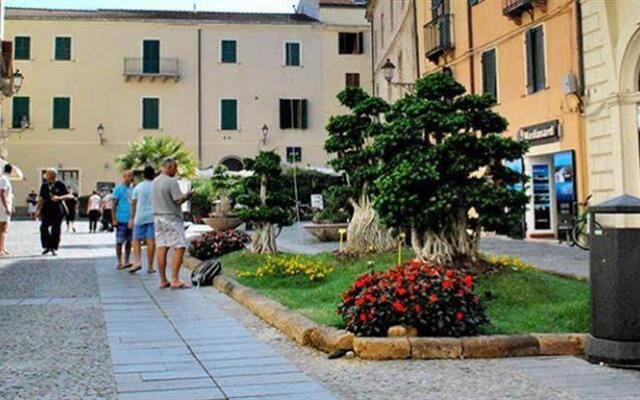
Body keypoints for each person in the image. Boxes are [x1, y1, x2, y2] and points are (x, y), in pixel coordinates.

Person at [153, 158, 194, 289]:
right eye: (175, 168)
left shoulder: (155, 181)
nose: (176, 170)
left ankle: (163, 280)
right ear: (169, 167)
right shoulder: (171, 182)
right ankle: (175, 279)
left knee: (162, 247)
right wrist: (188, 195)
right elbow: (178, 200)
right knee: (180, 246)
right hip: (171, 218)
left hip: (158, 217)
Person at [36, 168, 73, 256]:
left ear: (53, 175)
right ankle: (47, 246)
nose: (46, 176)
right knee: (43, 228)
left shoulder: (60, 184)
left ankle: (54, 247)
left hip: (57, 209)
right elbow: (41, 199)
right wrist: (37, 210)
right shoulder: (44, 185)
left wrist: (59, 198)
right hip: (46, 209)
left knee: (55, 229)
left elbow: (69, 195)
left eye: (48, 174)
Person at [129, 166, 156, 274]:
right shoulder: (156, 186)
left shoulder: (138, 187)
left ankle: (137, 262)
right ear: (154, 175)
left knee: (136, 240)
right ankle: (150, 266)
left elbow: (133, 203)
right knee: (151, 241)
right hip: (153, 216)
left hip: (140, 216)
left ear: (143, 175)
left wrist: (131, 217)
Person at [112, 170, 134, 270]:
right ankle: (119, 261)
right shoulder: (118, 189)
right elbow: (113, 205)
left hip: (130, 219)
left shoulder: (133, 189)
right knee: (119, 241)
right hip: (121, 219)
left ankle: (127, 260)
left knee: (129, 241)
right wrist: (114, 219)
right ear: (124, 177)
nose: (129, 178)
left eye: (131, 176)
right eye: (127, 176)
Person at [0, 164, 14, 255]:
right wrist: (6, 207)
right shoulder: (4, 179)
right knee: (3, 228)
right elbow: (2, 193)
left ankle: (2, 247)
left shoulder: (5, 179)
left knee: (3, 228)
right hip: (2, 207)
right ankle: (1, 249)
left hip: (5, 206)